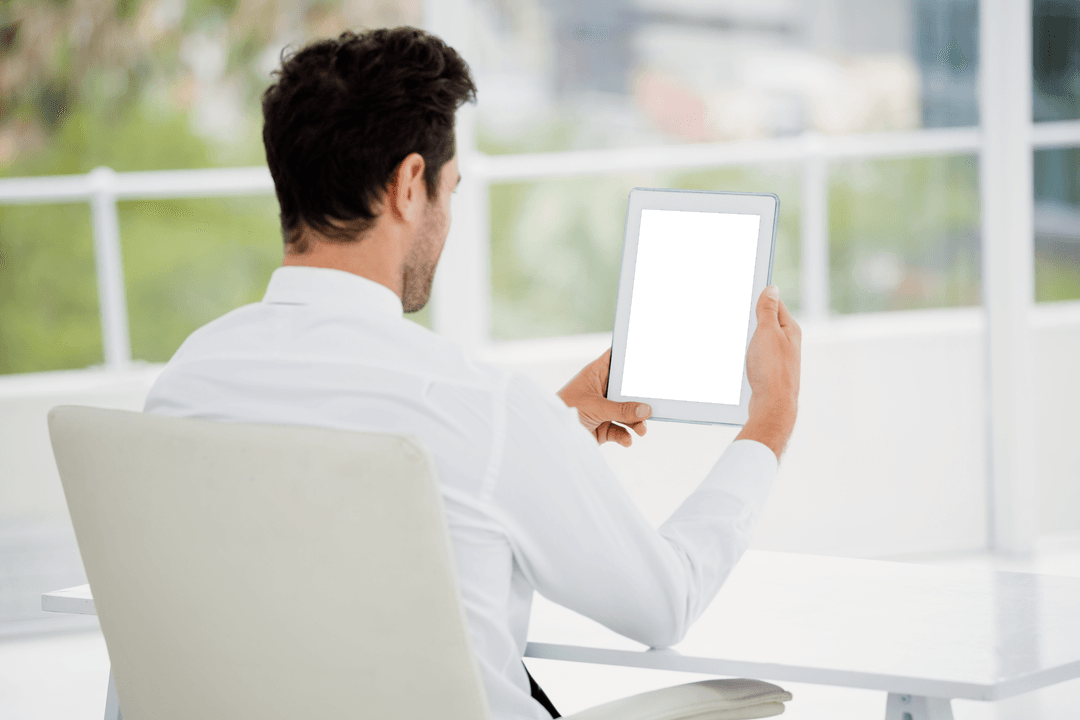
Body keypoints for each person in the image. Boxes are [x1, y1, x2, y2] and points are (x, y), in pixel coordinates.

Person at [144, 26, 801, 720]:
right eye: (450, 190)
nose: (449, 217)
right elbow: (664, 603)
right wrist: (771, 419)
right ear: (408, 185)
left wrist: (548, 431)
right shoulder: (484, 411)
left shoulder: (187, 383)